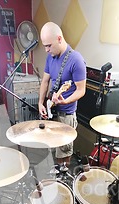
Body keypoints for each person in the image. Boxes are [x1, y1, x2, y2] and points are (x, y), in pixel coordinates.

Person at [38, 22, 86, 166]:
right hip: (52, 110)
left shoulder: (76, 60)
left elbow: (81, 90)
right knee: (51, 151)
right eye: (44, 45)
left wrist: (65, 101)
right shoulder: (50, 57)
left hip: (66, 115)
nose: (46, 50)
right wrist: (41, 103)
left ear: (59, 39)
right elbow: (45, 81)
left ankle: (62, 181)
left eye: (48, 45)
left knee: (63, 156)